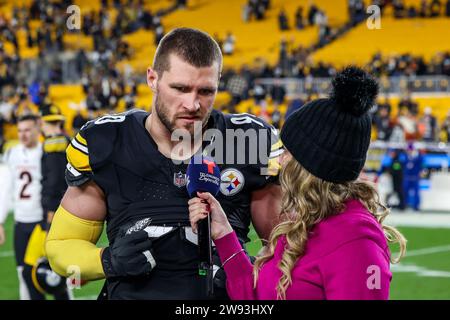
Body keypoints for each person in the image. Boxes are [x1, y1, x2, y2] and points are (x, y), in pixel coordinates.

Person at [45, 28, 282, 300]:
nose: (192, 104)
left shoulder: (248, 142)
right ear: (152, 78)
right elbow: (61, 246)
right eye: (180, 88)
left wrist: (242, 265)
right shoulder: (108, 142)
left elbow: (288, 249)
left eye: (205, 91)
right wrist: (107, 260)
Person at [189, 67, 407, 300]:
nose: (280, 160)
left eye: (287, 152)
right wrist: (223, 233)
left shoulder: (356, 239)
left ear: (312, 166)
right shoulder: (300, 225)